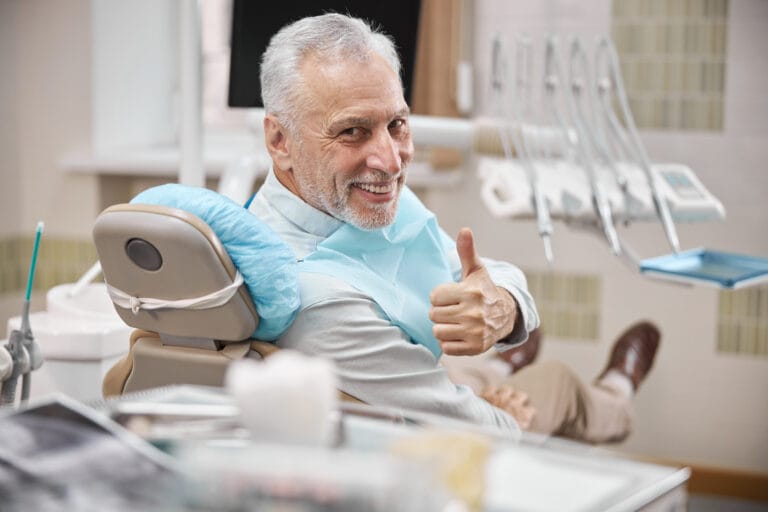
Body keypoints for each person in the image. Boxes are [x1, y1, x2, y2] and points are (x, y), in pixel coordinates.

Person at [442, 321, 661, 443]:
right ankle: (619, 389)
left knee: (457, 380)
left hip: (426, 388)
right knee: (558, 381)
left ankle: (498, 369)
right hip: (440, 435)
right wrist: (492, 418)